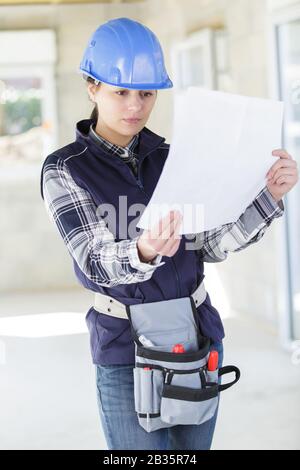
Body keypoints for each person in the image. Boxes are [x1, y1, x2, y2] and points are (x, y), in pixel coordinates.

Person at [40, 17, 298, 450]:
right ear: (92, 87)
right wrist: (141, 251)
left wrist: (268, 197)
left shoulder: (171, 158)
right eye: (120, 91)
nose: (135, 106)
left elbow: (211, 245)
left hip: (195, 336)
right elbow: (93, 259)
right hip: (126, 351)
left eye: (146, 93)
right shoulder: (65, 169)